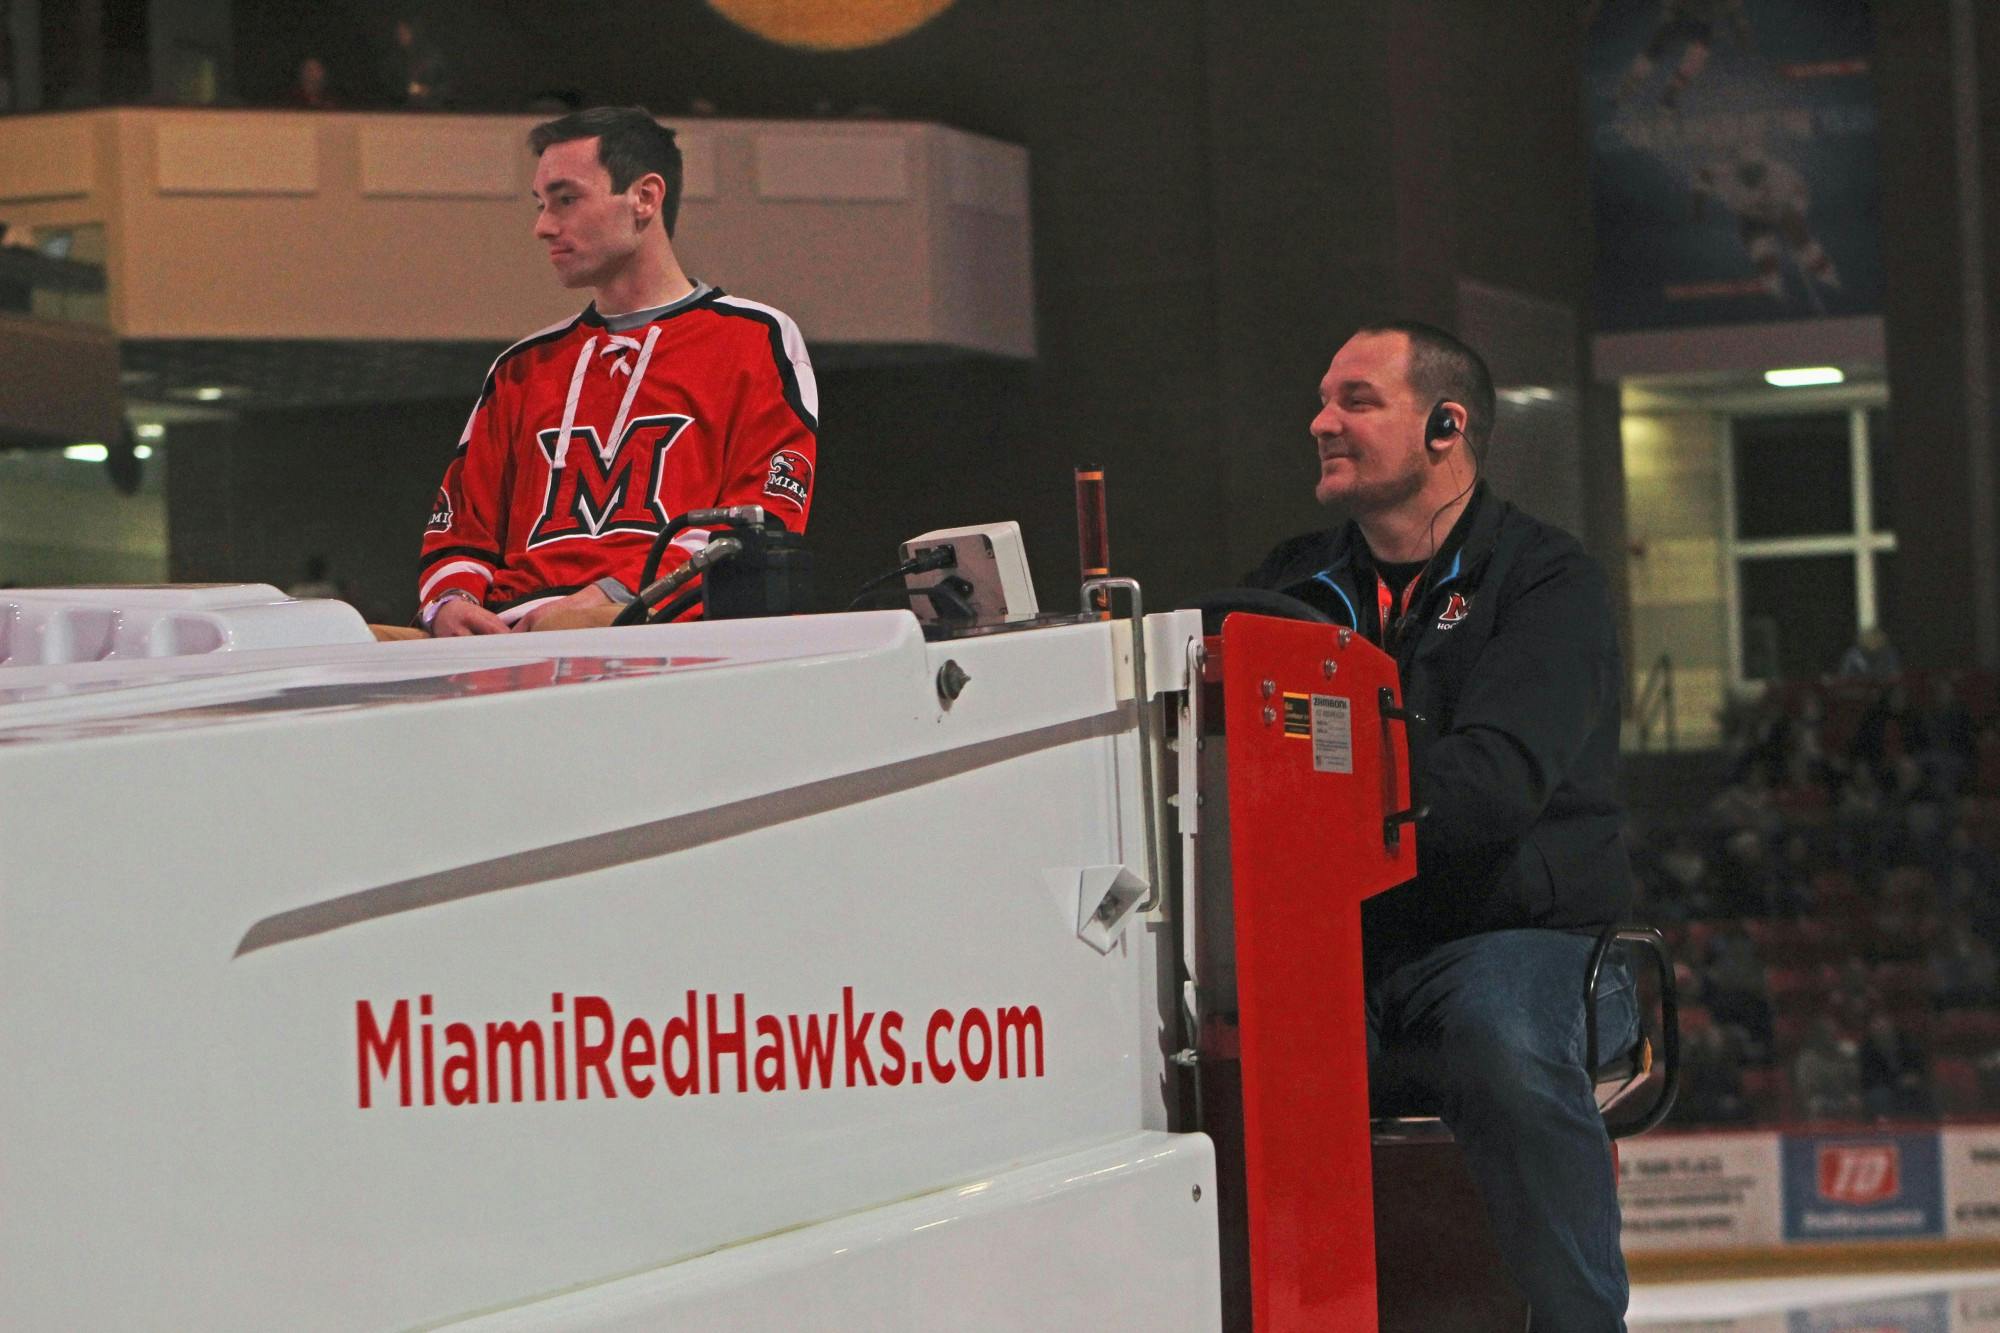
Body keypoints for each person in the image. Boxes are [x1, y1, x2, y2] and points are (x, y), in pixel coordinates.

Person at [1244, 321, 1637, 1329]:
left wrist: (1309, 798)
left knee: (1495, 1031)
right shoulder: (1284, 587)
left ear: (1445, 425)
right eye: (1322, 399)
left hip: (1527, 946)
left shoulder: (1547, 581)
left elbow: (1491, 785)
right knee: (1203, 1044)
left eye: (1355, 401)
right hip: (1344, 955)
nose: (1319, 422)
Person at [417, 106, 818, 636]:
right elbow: (459, 529)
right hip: (506, 644)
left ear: (645, 198)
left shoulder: (754, 337)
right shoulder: (520, 368)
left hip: (662, 632)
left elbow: (758, 520)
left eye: (566, 199)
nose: (543, 226)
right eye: (541, 204)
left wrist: (614, 597)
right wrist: (450, 603)